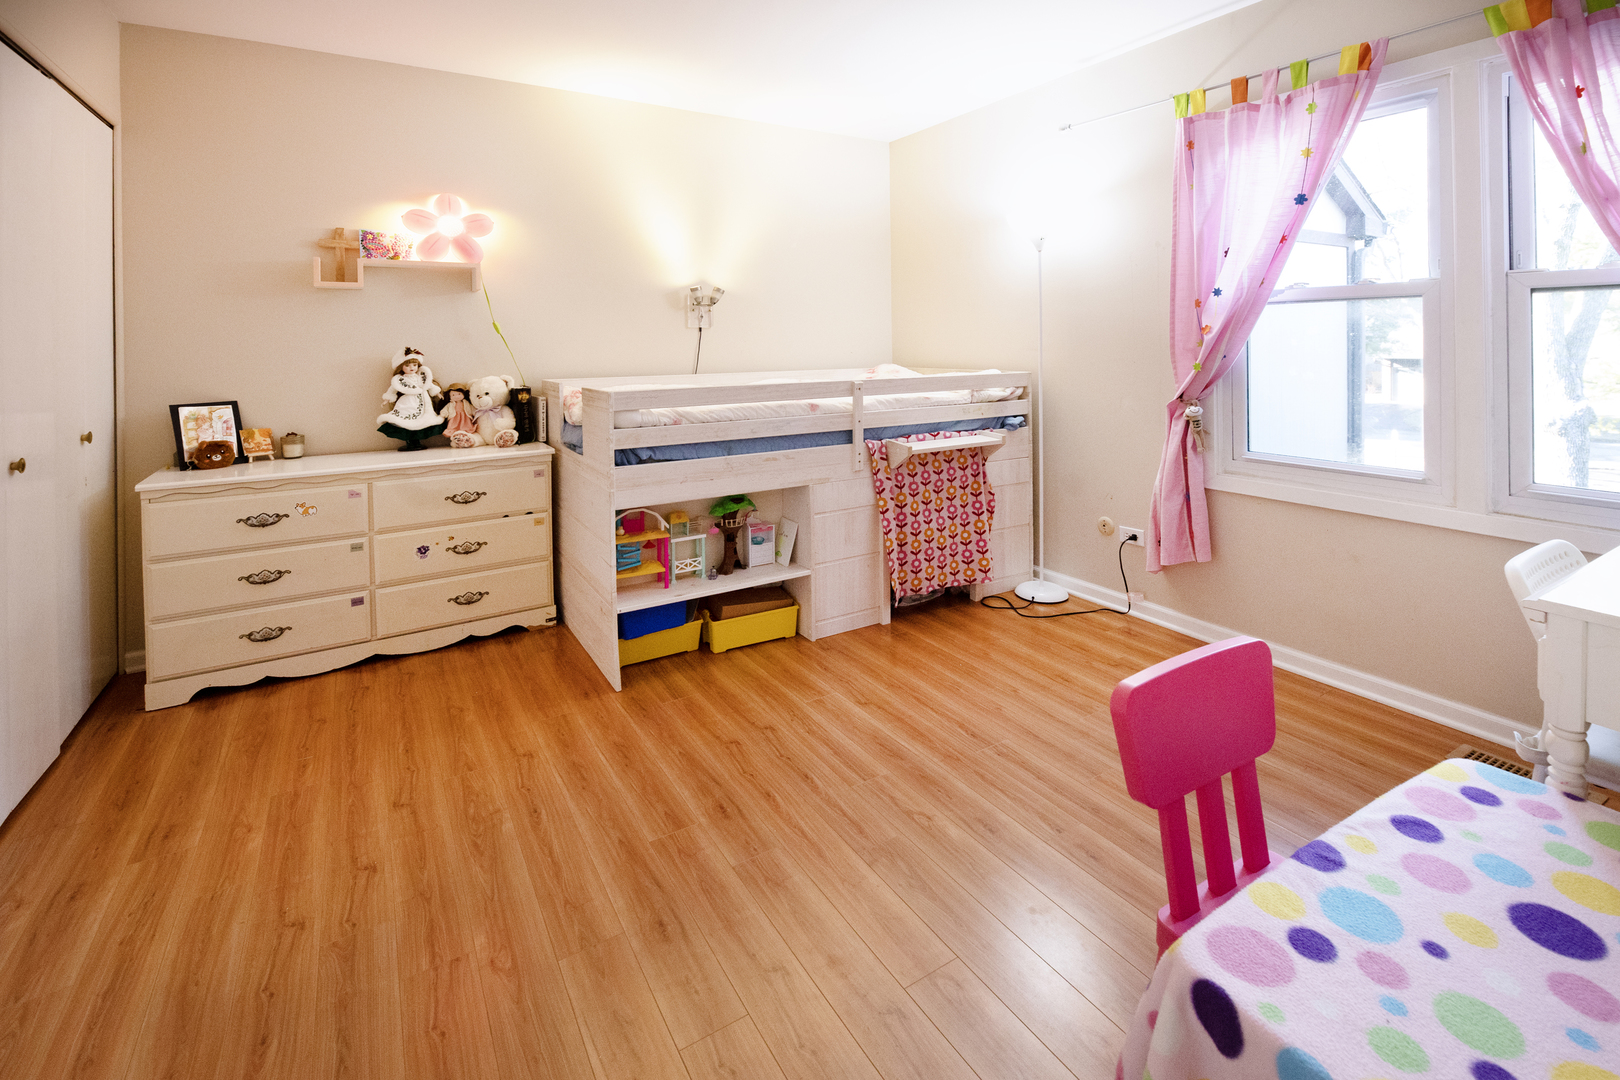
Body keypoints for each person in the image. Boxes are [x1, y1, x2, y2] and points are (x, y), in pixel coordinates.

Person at [377, 347, 446, 450]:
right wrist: (387, 398)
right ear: (401, 367)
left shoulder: (421, 376)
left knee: (423, 420)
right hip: (408, 402)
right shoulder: (400, 380)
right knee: (407, 421)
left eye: (414, 365)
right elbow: (393, 389)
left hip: (423, 401)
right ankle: (410, 441)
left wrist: (437, 393)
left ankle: (417, 441)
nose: (412, 368)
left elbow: (429, 385)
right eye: (407, 365)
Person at [439, 382, 478, 448]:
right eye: (453, 395)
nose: (456, 397)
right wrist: (444, 413)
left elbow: (471, 408)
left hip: (465, 418)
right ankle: (456, 440)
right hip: (454, 419)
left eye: (459, 394)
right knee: (454, 429)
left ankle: (466, 438)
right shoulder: (451, 404)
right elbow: (446, 409)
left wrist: (475, 412)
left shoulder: (466, 403)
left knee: (466, 428)